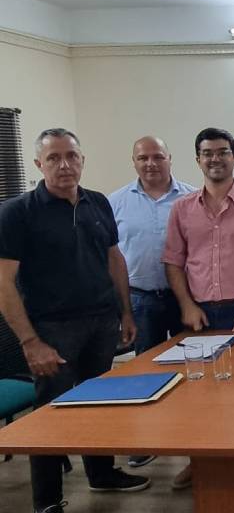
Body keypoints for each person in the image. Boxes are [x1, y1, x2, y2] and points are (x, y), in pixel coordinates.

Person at [0, 128, 149, 513]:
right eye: (54, 158)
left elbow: (114, 258)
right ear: (39, 164)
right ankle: (47, 501)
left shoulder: (97, 202)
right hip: (52, 330)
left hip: (101, 322)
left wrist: (125, 311)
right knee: (51, 415)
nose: (64, 165)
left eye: (71, 156)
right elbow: (3, 282)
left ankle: (102, 474)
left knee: (98, 404)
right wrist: (30, 342)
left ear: (82, 160)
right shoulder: (17, 212)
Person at [162, 127, 234, 491]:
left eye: (222, 152)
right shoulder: (182, 209)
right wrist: (186, 305)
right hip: (198, 315)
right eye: (208, 153)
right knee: (198, 395)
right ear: (198, 160)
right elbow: (173, 262)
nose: (215, 159)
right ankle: (200, 462)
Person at [108, 135, 196, 469]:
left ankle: (194, 440)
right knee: (146, 373)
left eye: (158, 156)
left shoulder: (192, 197)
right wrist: (124, 311)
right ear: (133, 162)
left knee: (193, 370)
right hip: (141, 300)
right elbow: (112, 259)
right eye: (143, 158)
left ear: (170, 158)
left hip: (186, 299)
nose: (151, 163)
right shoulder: (115, 202)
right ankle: (149, 438)